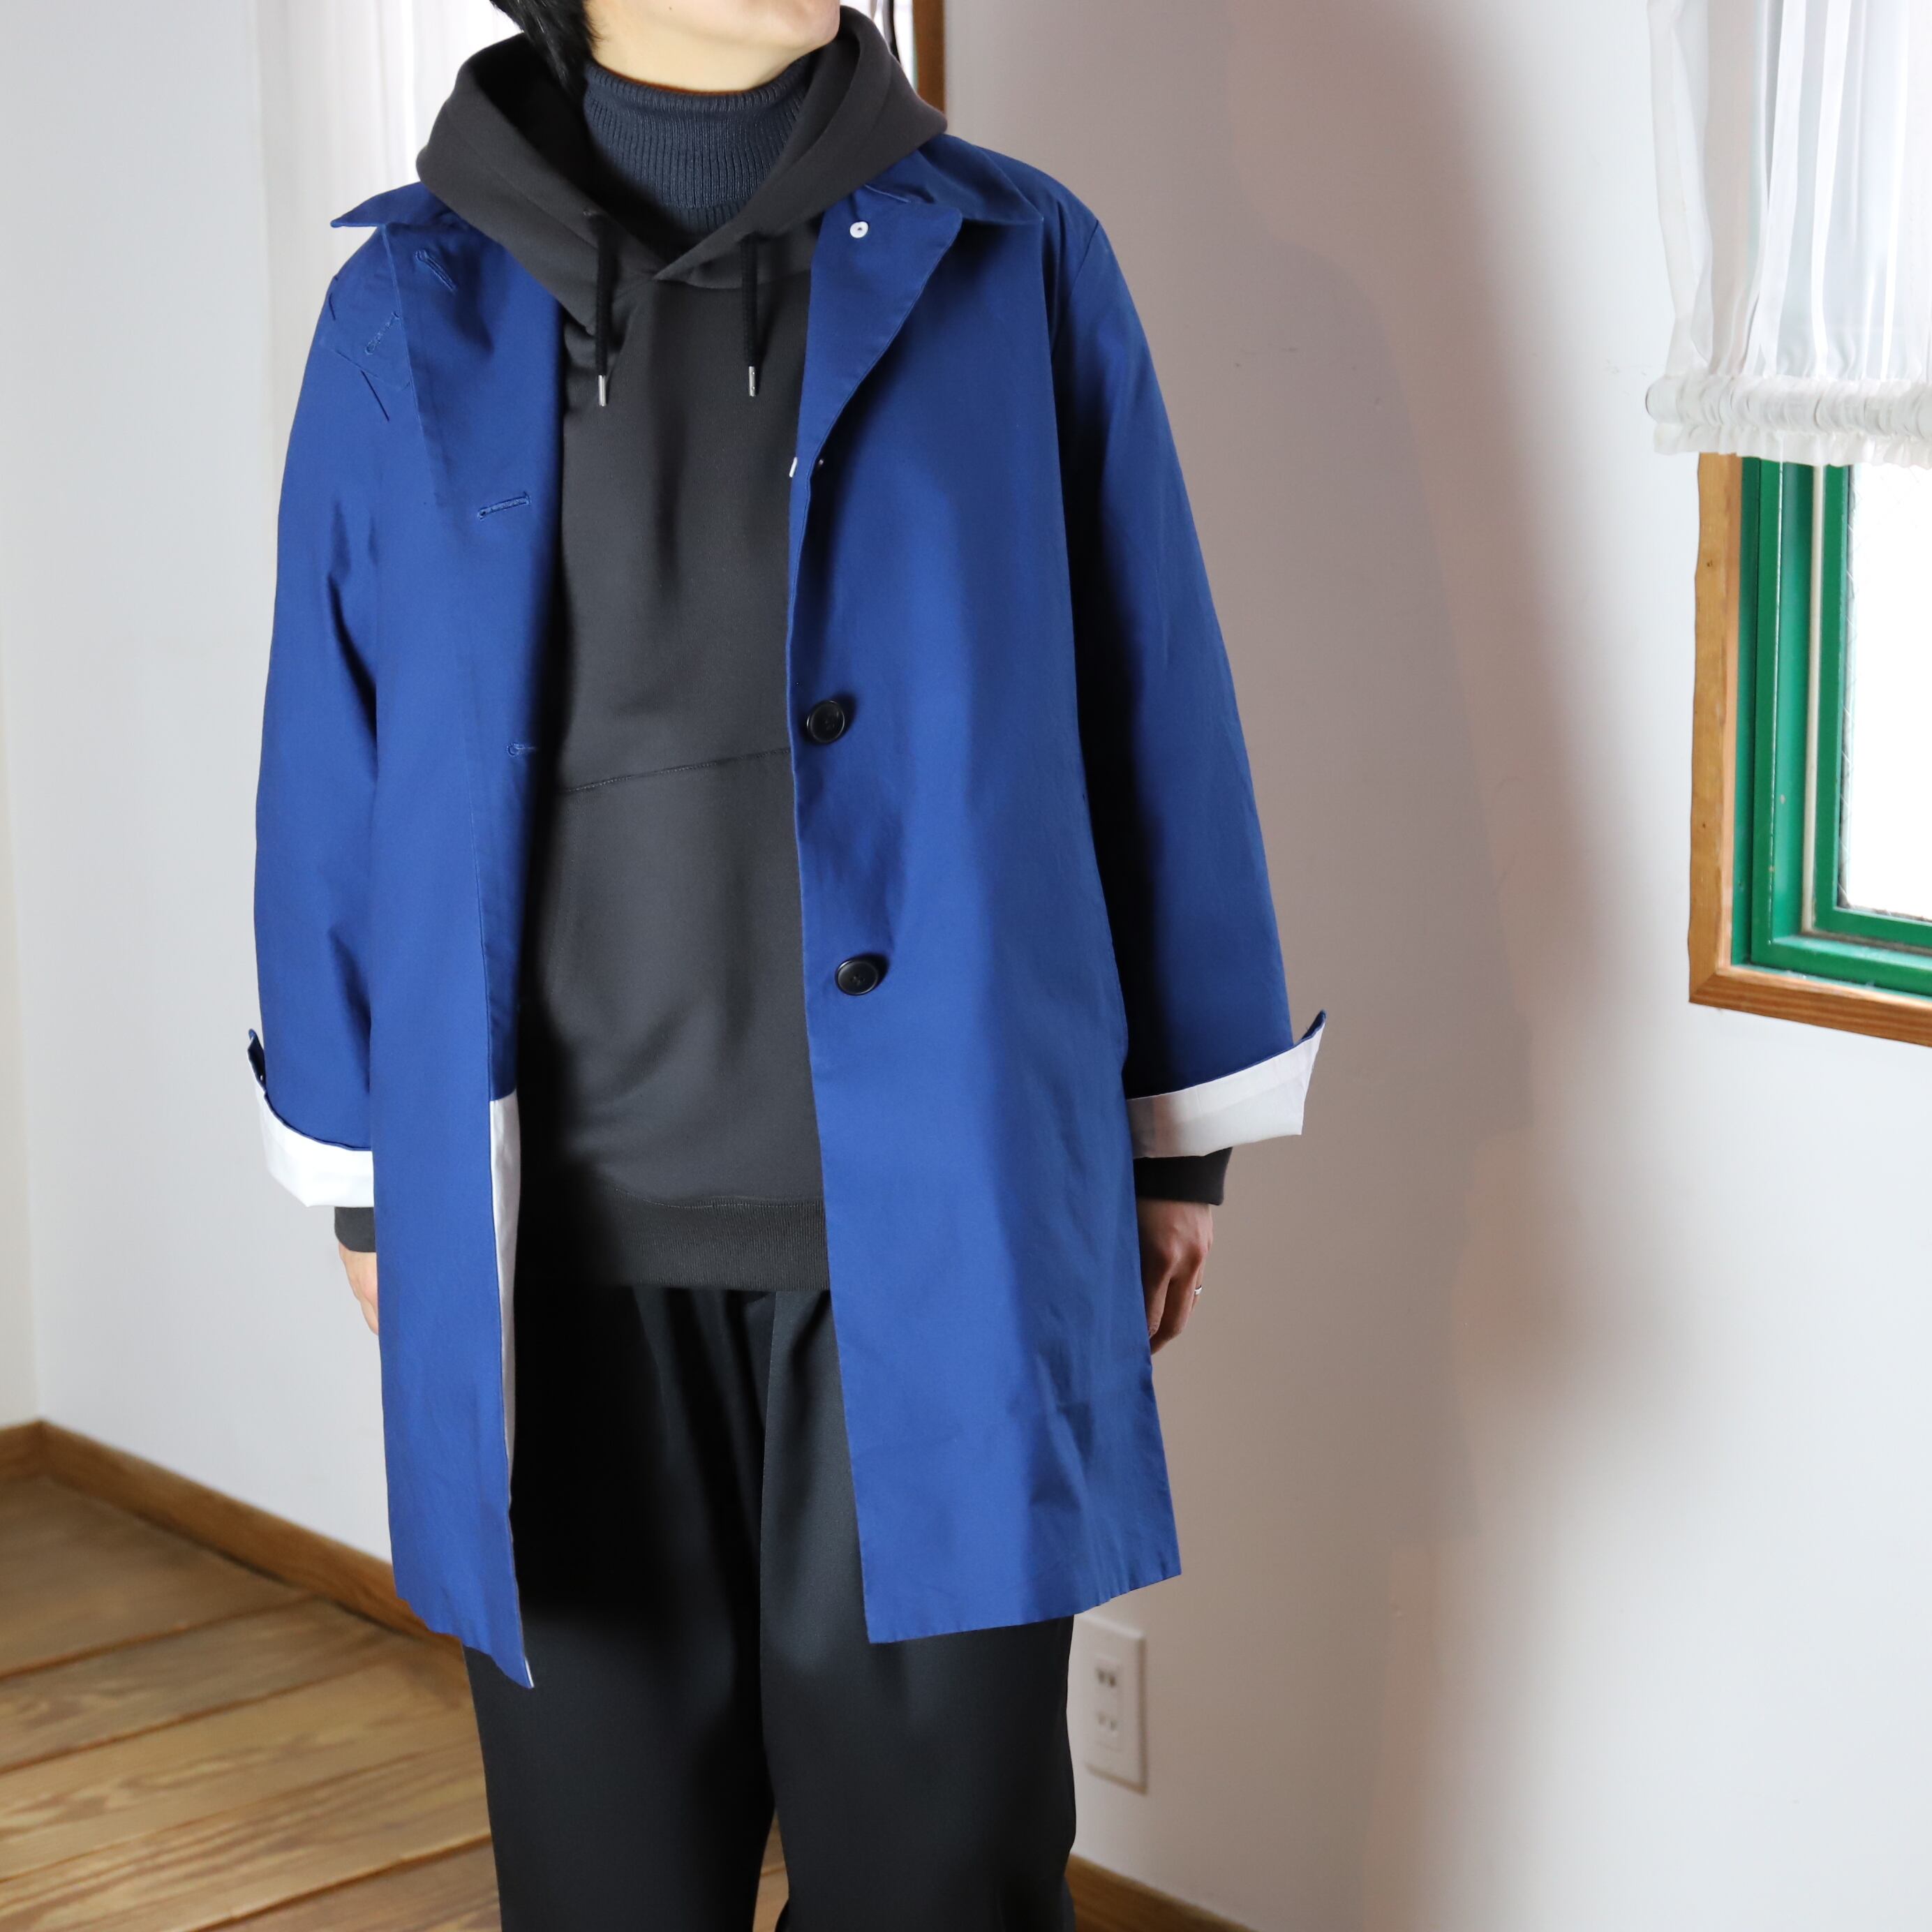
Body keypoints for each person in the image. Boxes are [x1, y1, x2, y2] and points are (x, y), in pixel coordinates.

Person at [250, 1, 1324, 1924]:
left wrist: (1180, 1137)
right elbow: (333, 765)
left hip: (947, 1229)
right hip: (558, 1260)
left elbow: (1151, 688)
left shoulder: (1018, 258)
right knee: (604, 1888)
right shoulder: (405, 307)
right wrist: (365, 1181)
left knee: (943, 1883)